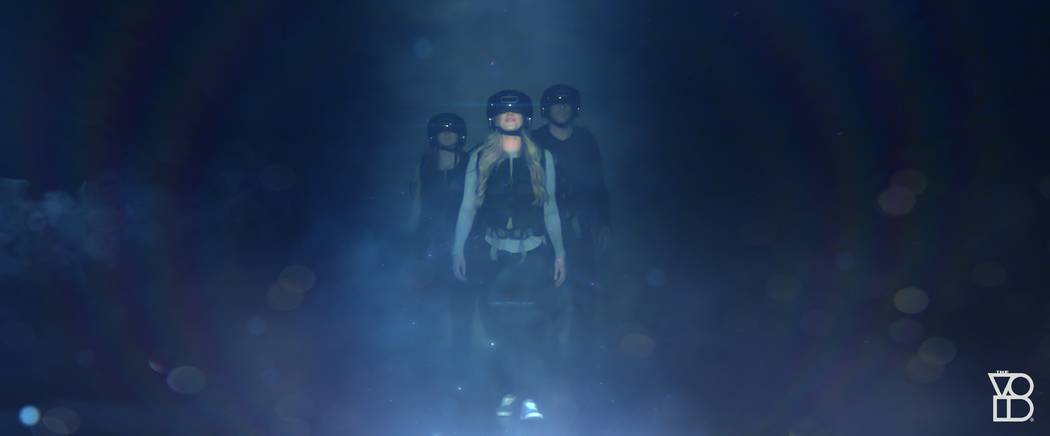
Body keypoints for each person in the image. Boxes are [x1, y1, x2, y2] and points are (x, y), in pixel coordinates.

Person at [451, 89, 567, 423]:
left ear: (526, 116)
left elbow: (551, 209)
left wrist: (560, 253)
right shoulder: (479, 157)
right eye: (505, 111)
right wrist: (457, 248)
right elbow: (467, 207)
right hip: (496, 255)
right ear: (495, 116)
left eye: (516, 110)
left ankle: (529, 395)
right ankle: (506, 391)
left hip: (533, 255)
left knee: (532, 328)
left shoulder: (542, 156)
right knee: (497, 328)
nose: (511, 115)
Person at [531, 84, 612, 376]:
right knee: (546, 294)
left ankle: (582, 361)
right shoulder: (535, 140)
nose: (562, 107)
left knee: (584, 294)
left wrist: (605, 222)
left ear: (575, 107)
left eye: (567, 103)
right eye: (556, 102)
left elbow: (599, 184)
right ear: (546, 108)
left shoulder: (586, 140)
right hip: (546, 230)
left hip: (582, 229)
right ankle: (546, 358)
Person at [407, 113, 474, 370]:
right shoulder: (425, 163)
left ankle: (461, 356)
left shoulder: (469, 163)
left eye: (452, 130)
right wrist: (411, 236)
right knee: (429, 300)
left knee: (462, 301)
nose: (447, 134)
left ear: (460, 135)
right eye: (442, 130)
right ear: (434, 135)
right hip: (430, 241)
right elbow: (417, 201)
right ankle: (429, 358)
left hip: (461, 243)